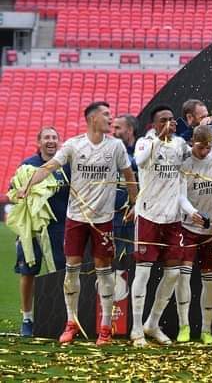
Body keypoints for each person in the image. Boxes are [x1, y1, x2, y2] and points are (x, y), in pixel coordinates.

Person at [18, 102, 137, 345]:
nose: (110, 119)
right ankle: (71, 323)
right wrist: (27, 185)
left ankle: (105, 328)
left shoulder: (115, 146)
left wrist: (134, 204)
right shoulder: (74, 144)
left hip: (103, 220)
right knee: (71, 269)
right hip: (76, 219)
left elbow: (129, 176)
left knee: (104, 271)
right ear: (93, 119)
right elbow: (49, 167)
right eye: (106, 115)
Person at [130, 105, 190, 347]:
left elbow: (195, 158)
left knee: (174, 273)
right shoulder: (145, 142)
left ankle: (152, 323)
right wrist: (158, 139)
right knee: (143, 273)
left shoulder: (179, 145)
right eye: (163, 120)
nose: (169, 123)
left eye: (171, 119)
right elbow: (139, 161)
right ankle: (136, 329)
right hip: (148, 216)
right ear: (153, 125)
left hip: (173, 219)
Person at [13, 127, 70, 337]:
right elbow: (15, 192)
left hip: (59, 228)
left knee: (60, 273)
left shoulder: (66, 166)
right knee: (28, 272)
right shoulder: (27, 165)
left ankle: (61, 316)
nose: (51, 141)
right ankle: (27, 318)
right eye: (47, 137)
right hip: (32, 229)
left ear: (59, 141)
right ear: (39, 141)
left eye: (54, 137)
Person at [176, 125, 212, 344]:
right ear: (192, 143)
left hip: (211, 229)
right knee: (183, 277)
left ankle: (206, 330)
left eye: (208, 147)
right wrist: (192, 212)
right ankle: (184, 327)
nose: (205, 152)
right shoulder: (185, 163)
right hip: (188, 227)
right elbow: (180, 195)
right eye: (200, 147)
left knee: (210, 280)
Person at [112, 114, 139, 266]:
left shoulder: (145, 149)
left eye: (117, 128)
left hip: (139, 217)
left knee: (136, 261)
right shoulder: (111, 151)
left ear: (129, 130)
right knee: (116, 262)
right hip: (115, 218)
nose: (113, 132)